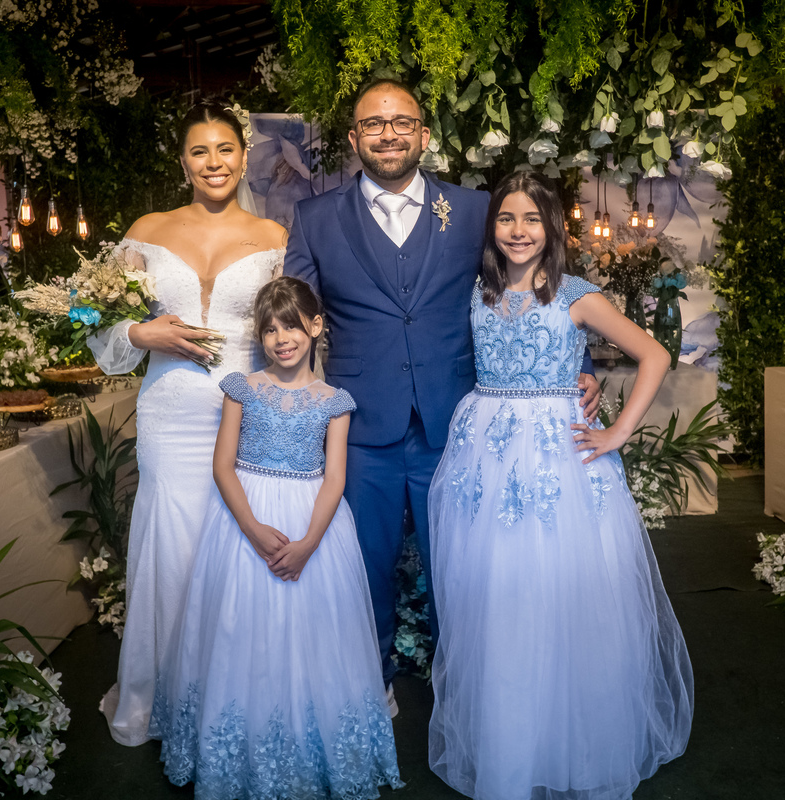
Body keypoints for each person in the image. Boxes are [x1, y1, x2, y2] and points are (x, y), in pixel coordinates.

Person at [284, 78, 601, 710]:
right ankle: (369, 682)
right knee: (364, 566)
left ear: (424, 135)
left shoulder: (474, 207)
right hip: (359, 427)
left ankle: (473, 687)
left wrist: (579, 359)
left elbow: (528, 279)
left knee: (464, 566)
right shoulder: (315, 218)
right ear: (353, 138)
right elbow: (293, 314)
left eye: (402, 121)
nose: (389, 132)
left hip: (457, 424)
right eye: (374, 123)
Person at [427, 172, 694, 800]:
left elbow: (653, 354)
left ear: (553, 228)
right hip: (485, 455)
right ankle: (508, 737)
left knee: (562, 592)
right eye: (506, 220)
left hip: (557, 460)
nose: (518, 232)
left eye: (532, 220)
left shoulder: (578, 295)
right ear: (491, 228)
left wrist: (618, 433)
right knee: (499, 594)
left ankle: (571, 741)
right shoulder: (477, 291)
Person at [151, 276, 403, 797]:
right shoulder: (242, 388)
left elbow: (335, 478)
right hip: (245, 522)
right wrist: (250, 526)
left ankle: (311, 751)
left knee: (311, 633)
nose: (281, 338)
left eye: (291, 325)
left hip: (312, 524)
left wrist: (310, 542)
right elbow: (223, 467)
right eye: (269, 330)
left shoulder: (335, 400)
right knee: (241, 630)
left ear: (315, 327)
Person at [88, 101, 285, 747]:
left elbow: (299, 331)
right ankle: (162, 694)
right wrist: (140, 331)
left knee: (238, 547)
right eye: (199, 151)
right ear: (182, 162)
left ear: (244, 155)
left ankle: (236, 695)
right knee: (171, 547)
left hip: (246, 413)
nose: (214, 162)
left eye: (224, 149)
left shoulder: (275, 238)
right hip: (170, 415)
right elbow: (78, 314)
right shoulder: (147, 229)